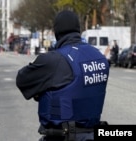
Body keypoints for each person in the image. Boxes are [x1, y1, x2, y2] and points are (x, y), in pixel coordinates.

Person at [16, 10, 110, 141]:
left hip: (62, 136)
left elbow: (22, 80)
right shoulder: (100, 57)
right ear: (78, 29)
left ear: (56, 32)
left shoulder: (53, 60)